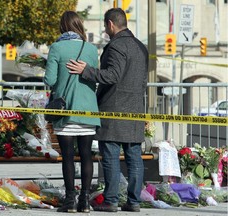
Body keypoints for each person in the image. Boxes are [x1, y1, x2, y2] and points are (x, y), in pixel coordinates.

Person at [66, 8, 149, 212]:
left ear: (111, 24)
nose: (105, 30)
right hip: (136, 108)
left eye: (105, 26)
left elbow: (112, 76)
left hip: (114, 107)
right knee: (134, 156)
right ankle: (134, 201)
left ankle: (111, 201)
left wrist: (86, 71)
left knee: (111, 155)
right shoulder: (141, 47)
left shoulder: (117, 46)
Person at [44, 11, 101, 213]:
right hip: (88, 110)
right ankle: (84, 201)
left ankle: (70, 201)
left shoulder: (57, 48)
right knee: (87, 156)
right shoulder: (92, 50)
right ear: (79, 26)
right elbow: (94, 76)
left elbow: (50, 80)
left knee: (68, 157)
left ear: (62, 26)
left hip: (65, 110)